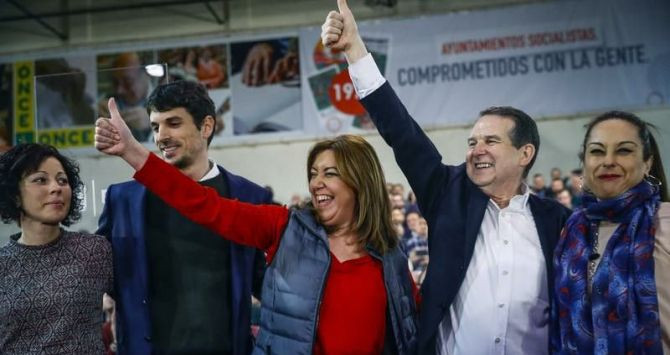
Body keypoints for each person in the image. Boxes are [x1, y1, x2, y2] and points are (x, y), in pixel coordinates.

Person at [321, 1, 571, 353]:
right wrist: (355, 51)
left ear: (525, 154)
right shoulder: (447, 193)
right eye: (472, 142)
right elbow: (403, 133)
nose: (477, 149)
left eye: (491, 141)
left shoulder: (557, 220)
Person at [95, 100, 420, 353]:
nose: (316, 183)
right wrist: (133, 152)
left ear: (360, 182)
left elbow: (413, 329)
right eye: (313, 173)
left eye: (329, 174)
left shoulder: (390, 259)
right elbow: (205, 206)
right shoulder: (285, 226)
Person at [96, 80, 271, 355]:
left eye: (173, 123)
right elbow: (92, 277)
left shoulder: (250, 196)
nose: (161, 136)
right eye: (155, 127)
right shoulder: (123, 200)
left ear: (206, 126)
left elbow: (270, 289)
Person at [552, 111, 670, 353]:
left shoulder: (665, 221)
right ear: (584, 161)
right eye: (597, 151)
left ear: (647, 162)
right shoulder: (572, 231)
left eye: (624, 150)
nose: (608, 160)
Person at [0, 143, 113, 354]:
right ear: (14, 195)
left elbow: (139, 299)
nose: (56, 188)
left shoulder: (94, 251)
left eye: (63, 180)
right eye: (40, 180)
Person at [98, 52, 152, 141]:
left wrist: (153, 121)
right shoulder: (107, 100)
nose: (119, 90)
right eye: (115, 82)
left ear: (146, 75)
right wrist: (95, 115)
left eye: (128, 82)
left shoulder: (166, 96)